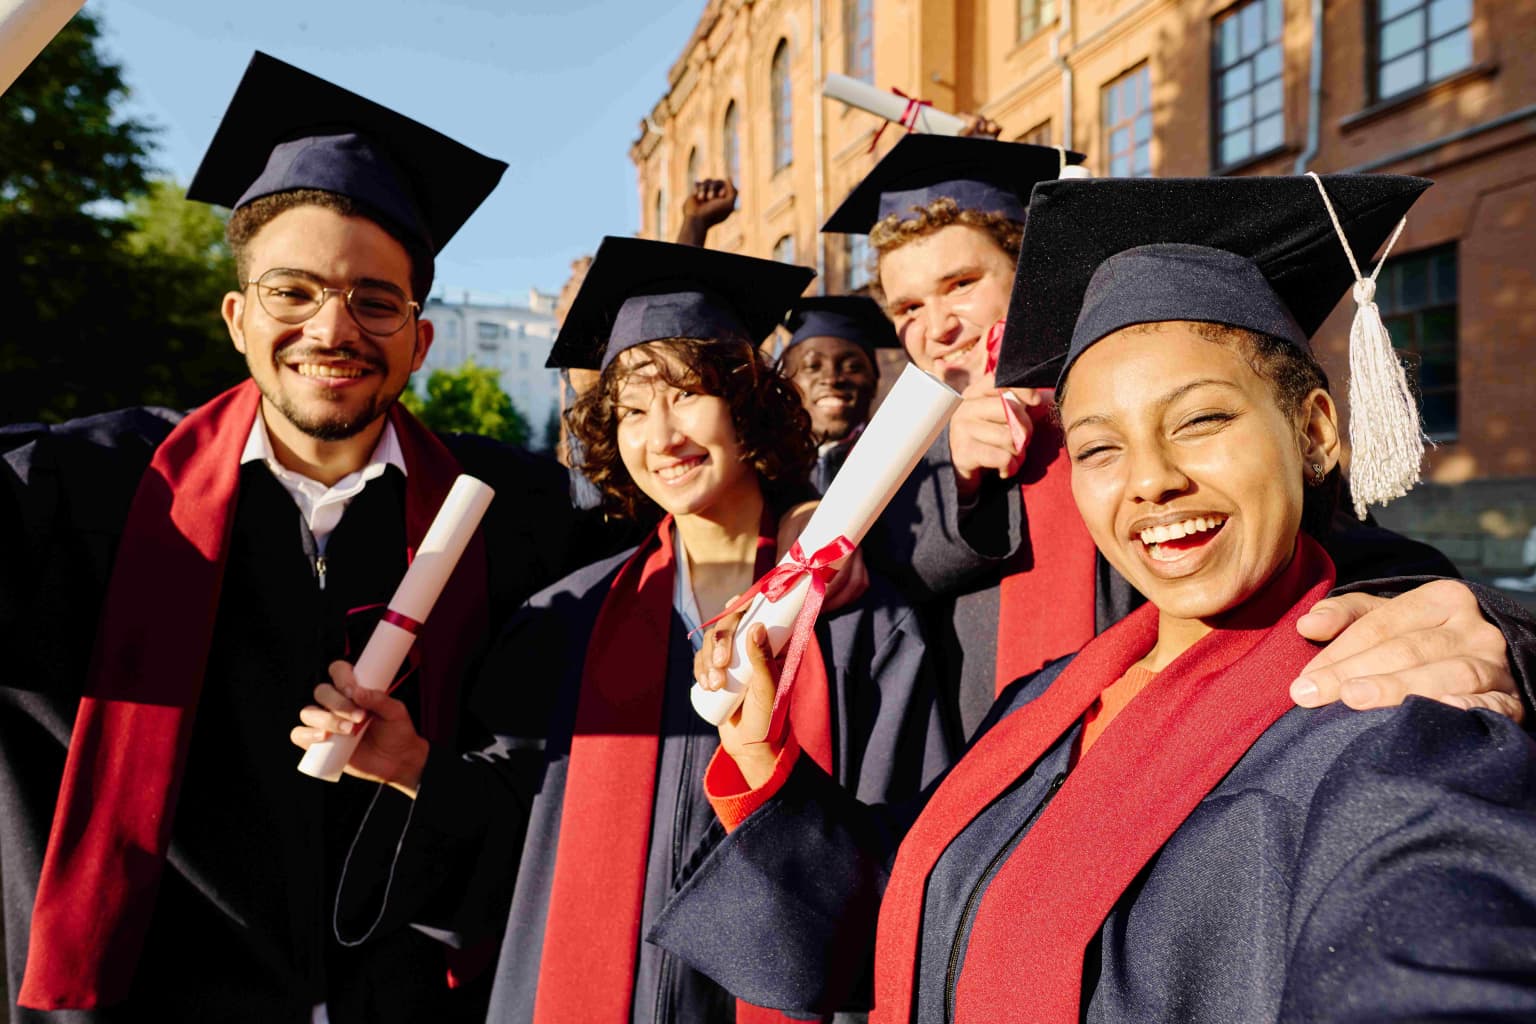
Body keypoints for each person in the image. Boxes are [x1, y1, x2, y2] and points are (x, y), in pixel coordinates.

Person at [661, 172, 1536, 1022]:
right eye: (1099, 448)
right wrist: (763, 757)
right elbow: (924, 906)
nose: (1150, 480)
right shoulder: (1042, 698)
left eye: (1201, 420)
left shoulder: (1383, 704)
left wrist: (1513, 630)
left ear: (1313, 430)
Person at [0, 53, 580, 1022]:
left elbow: (552, 791)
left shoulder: (518, 513)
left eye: (375, 300)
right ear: (235, 317)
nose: (333, 326)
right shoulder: (77, 489)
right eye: (292, 292)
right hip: (152, 996)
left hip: (408, 999)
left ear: (420, 338)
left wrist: (419, 772)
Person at [291, 236, 952, 1023]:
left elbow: (914, 864)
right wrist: (413, 768)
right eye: (633, 409)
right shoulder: (561, 622)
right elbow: (515, 850)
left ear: (746, 401)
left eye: (688, 394)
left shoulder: (863, 626)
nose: (661, 435)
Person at [825, 133, 1530, 739]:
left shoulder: (1162, 392)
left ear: (1032, 277)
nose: (937, 324)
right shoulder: (900, 468)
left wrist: (1489, 627)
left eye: (961, 284)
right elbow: (874, 607)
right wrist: (957, 480)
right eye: (908, 307)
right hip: (995, 777)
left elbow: (1347, 558)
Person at [779, 295, 901, 493]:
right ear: (788, 381)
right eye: (813, 366)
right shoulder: (766, 473)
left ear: (874, 379)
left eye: (852, 367)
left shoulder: (904, 461)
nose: (832, 378)